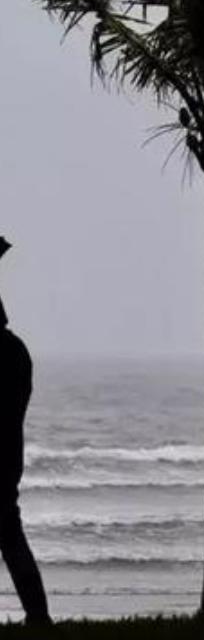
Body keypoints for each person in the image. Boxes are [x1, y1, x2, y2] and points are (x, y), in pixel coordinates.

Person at [0, 238, 52, 626]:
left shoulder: (11, 352)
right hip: (6, 457)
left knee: (11, 538)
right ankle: (38, 614)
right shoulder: (15, 351)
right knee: (11, 537)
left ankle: (38, 614)